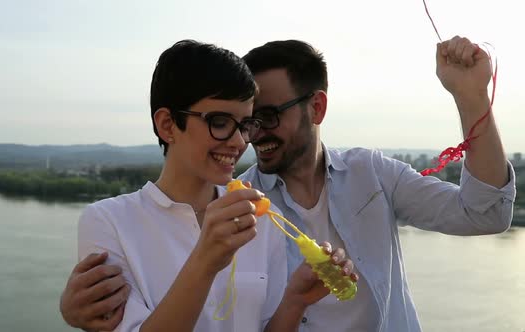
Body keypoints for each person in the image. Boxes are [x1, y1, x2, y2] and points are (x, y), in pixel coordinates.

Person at [61, 36, 516, 331]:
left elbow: (487, 213)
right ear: (167, 124)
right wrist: (72, 312)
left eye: (262, 118)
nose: (249, 136)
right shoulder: (245, 209)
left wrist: (472, 99)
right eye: (238, 121)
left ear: (316, 109)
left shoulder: (372, 174)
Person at [68, 39, 357, 332]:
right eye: (220, 122)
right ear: (168, 125)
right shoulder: (108, 221)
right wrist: (205, 260)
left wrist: (296, 300)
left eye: (245, 124)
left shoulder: (259, 217)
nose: (239, 141)